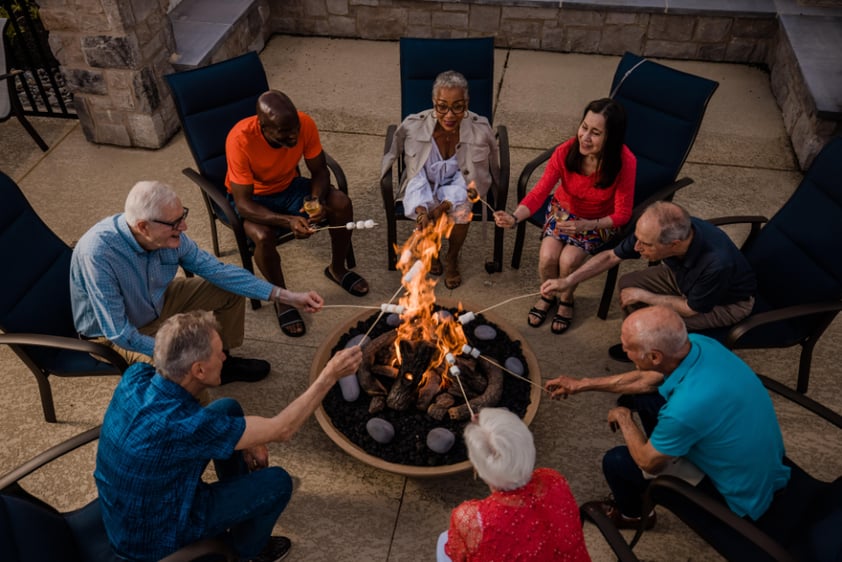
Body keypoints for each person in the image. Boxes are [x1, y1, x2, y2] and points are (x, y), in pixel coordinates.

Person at [95, 310, 363, 562]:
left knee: (227, 408)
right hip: (154, 536)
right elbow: (283, 429)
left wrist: (254, 438)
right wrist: (329, 375)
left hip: (129, 506)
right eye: (219, 353)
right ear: (199, 370)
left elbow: (206, 425)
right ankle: (245, 552)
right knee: (278, 482)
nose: (225, 357)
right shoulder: (183, 426)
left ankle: (239, 511)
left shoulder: (136, 376)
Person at [545, 306, 791, 534]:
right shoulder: (699, 344)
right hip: (756, 455)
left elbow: (647, 462)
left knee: (618, 461)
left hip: (740, 495)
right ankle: (667, 445)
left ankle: (632, 516)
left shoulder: (685, 408)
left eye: (628, 346)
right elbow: (647, 380)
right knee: (644, 398)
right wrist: (581, 385)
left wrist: (623, 418)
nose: (623, 349)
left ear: (654, 357)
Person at [70, 180, 322, 384]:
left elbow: (219, 272)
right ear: (143, 227)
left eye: (183, 216)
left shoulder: (168, 235)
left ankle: (223, 361)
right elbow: (120, 333)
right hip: (113, 335)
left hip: (156, 301)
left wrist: (288, 297)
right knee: (185, 373)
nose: (185, 226)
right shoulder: (98, 253)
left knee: (228, 289)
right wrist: (185, 355)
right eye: (175, 223)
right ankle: (204, 427)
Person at [226, 89, 368, 338]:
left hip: (289, 186)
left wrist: (316, 199)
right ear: (263, 127)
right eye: (283, 132)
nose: (293, 135)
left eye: (294, 129)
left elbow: (320, 171)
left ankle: (337, 268)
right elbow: (243, 204)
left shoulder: (304, 124)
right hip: (254, 198)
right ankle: (283, 299)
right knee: (262, 236)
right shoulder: (240, 139)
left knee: (341, 203)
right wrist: (289, 220)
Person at [541, 200, 756, 360]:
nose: (636, 248)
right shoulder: (657, 229)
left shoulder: (716, 263)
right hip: (684, 280)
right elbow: (611, 256)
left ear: (674, 244)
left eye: (646, 245)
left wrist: (646, 296)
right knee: (629, 284)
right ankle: (639, 347)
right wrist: (568, 281)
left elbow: (692, 308)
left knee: (656, 326)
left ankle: (655, 366)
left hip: (723, 303)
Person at [494, 98, 635, 334]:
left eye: (596, 133)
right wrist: (515, 217)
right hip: (563, 211)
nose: (585, 137)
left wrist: (588, 225)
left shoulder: (625, 163)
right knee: (548, 256)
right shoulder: (565, 152)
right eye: (584, 127)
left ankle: (567, 299)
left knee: (568, 260)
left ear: (611, 137)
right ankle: (548, 296)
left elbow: (623, 214)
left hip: (598, 221)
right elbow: (540, 192)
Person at [381, 70, 500, 289]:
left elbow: (473, 178)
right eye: (442, 106)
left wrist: (445, 205)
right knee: (425, 208)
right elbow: (415, 174)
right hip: (425, 184)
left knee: (462, 209)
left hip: (460, 187)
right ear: (434, 103)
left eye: (458, 106)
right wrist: (422, 211)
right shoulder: (414, 128)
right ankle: (432, 251)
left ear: (467, 104)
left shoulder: (479, 132)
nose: (450, 115)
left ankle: (452, 257)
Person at [437, 408, 591, 562]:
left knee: (443, 541)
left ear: (477, 468)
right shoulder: (554, 479)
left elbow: (457, 555)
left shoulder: (469, 518)